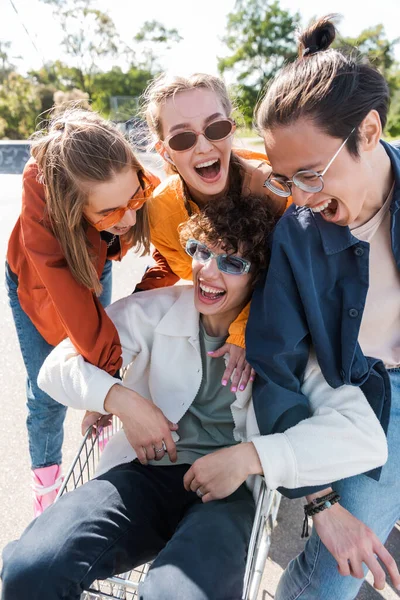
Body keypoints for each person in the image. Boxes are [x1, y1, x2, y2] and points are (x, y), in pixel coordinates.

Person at [1, 194, 392, 600]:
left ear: (260, 276)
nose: (208, 271)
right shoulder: (157, 309)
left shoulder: (289, 346)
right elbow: (57, 366)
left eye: (233, 263)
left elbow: (363, 436)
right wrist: (122, 401)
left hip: (230, 496)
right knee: (30, 568)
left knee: (176, 595)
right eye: (201, 251)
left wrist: (248, 457)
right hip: (145, 473)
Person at [247, 14, 400, 598]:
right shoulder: (299, 232)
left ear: (368, 129)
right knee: (336, 577)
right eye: (287, 180)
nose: (303, 199)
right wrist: (323, 500)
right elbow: (274, 364)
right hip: (361, 402)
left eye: (312, 174)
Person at [5, 107, 159, 516]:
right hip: (36, 277)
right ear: (71, 208)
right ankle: (46, 495)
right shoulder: (44, 204)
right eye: (109, 213)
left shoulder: (116, 181)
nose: (128, 218)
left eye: (135, 198)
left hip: (91, 256)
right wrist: (109, 388)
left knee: (94, 354)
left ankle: (102, 457)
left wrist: (101, 389)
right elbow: (74, 309)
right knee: (46, 392)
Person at [136, 72, 287, 391]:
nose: (203, 146)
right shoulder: (161, 212)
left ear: (232, 129)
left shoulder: (276, 193)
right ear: (164, 151)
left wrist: (244, 331)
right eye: (182, 138)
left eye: (215, 128)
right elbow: (190, 275)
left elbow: (286, 277)